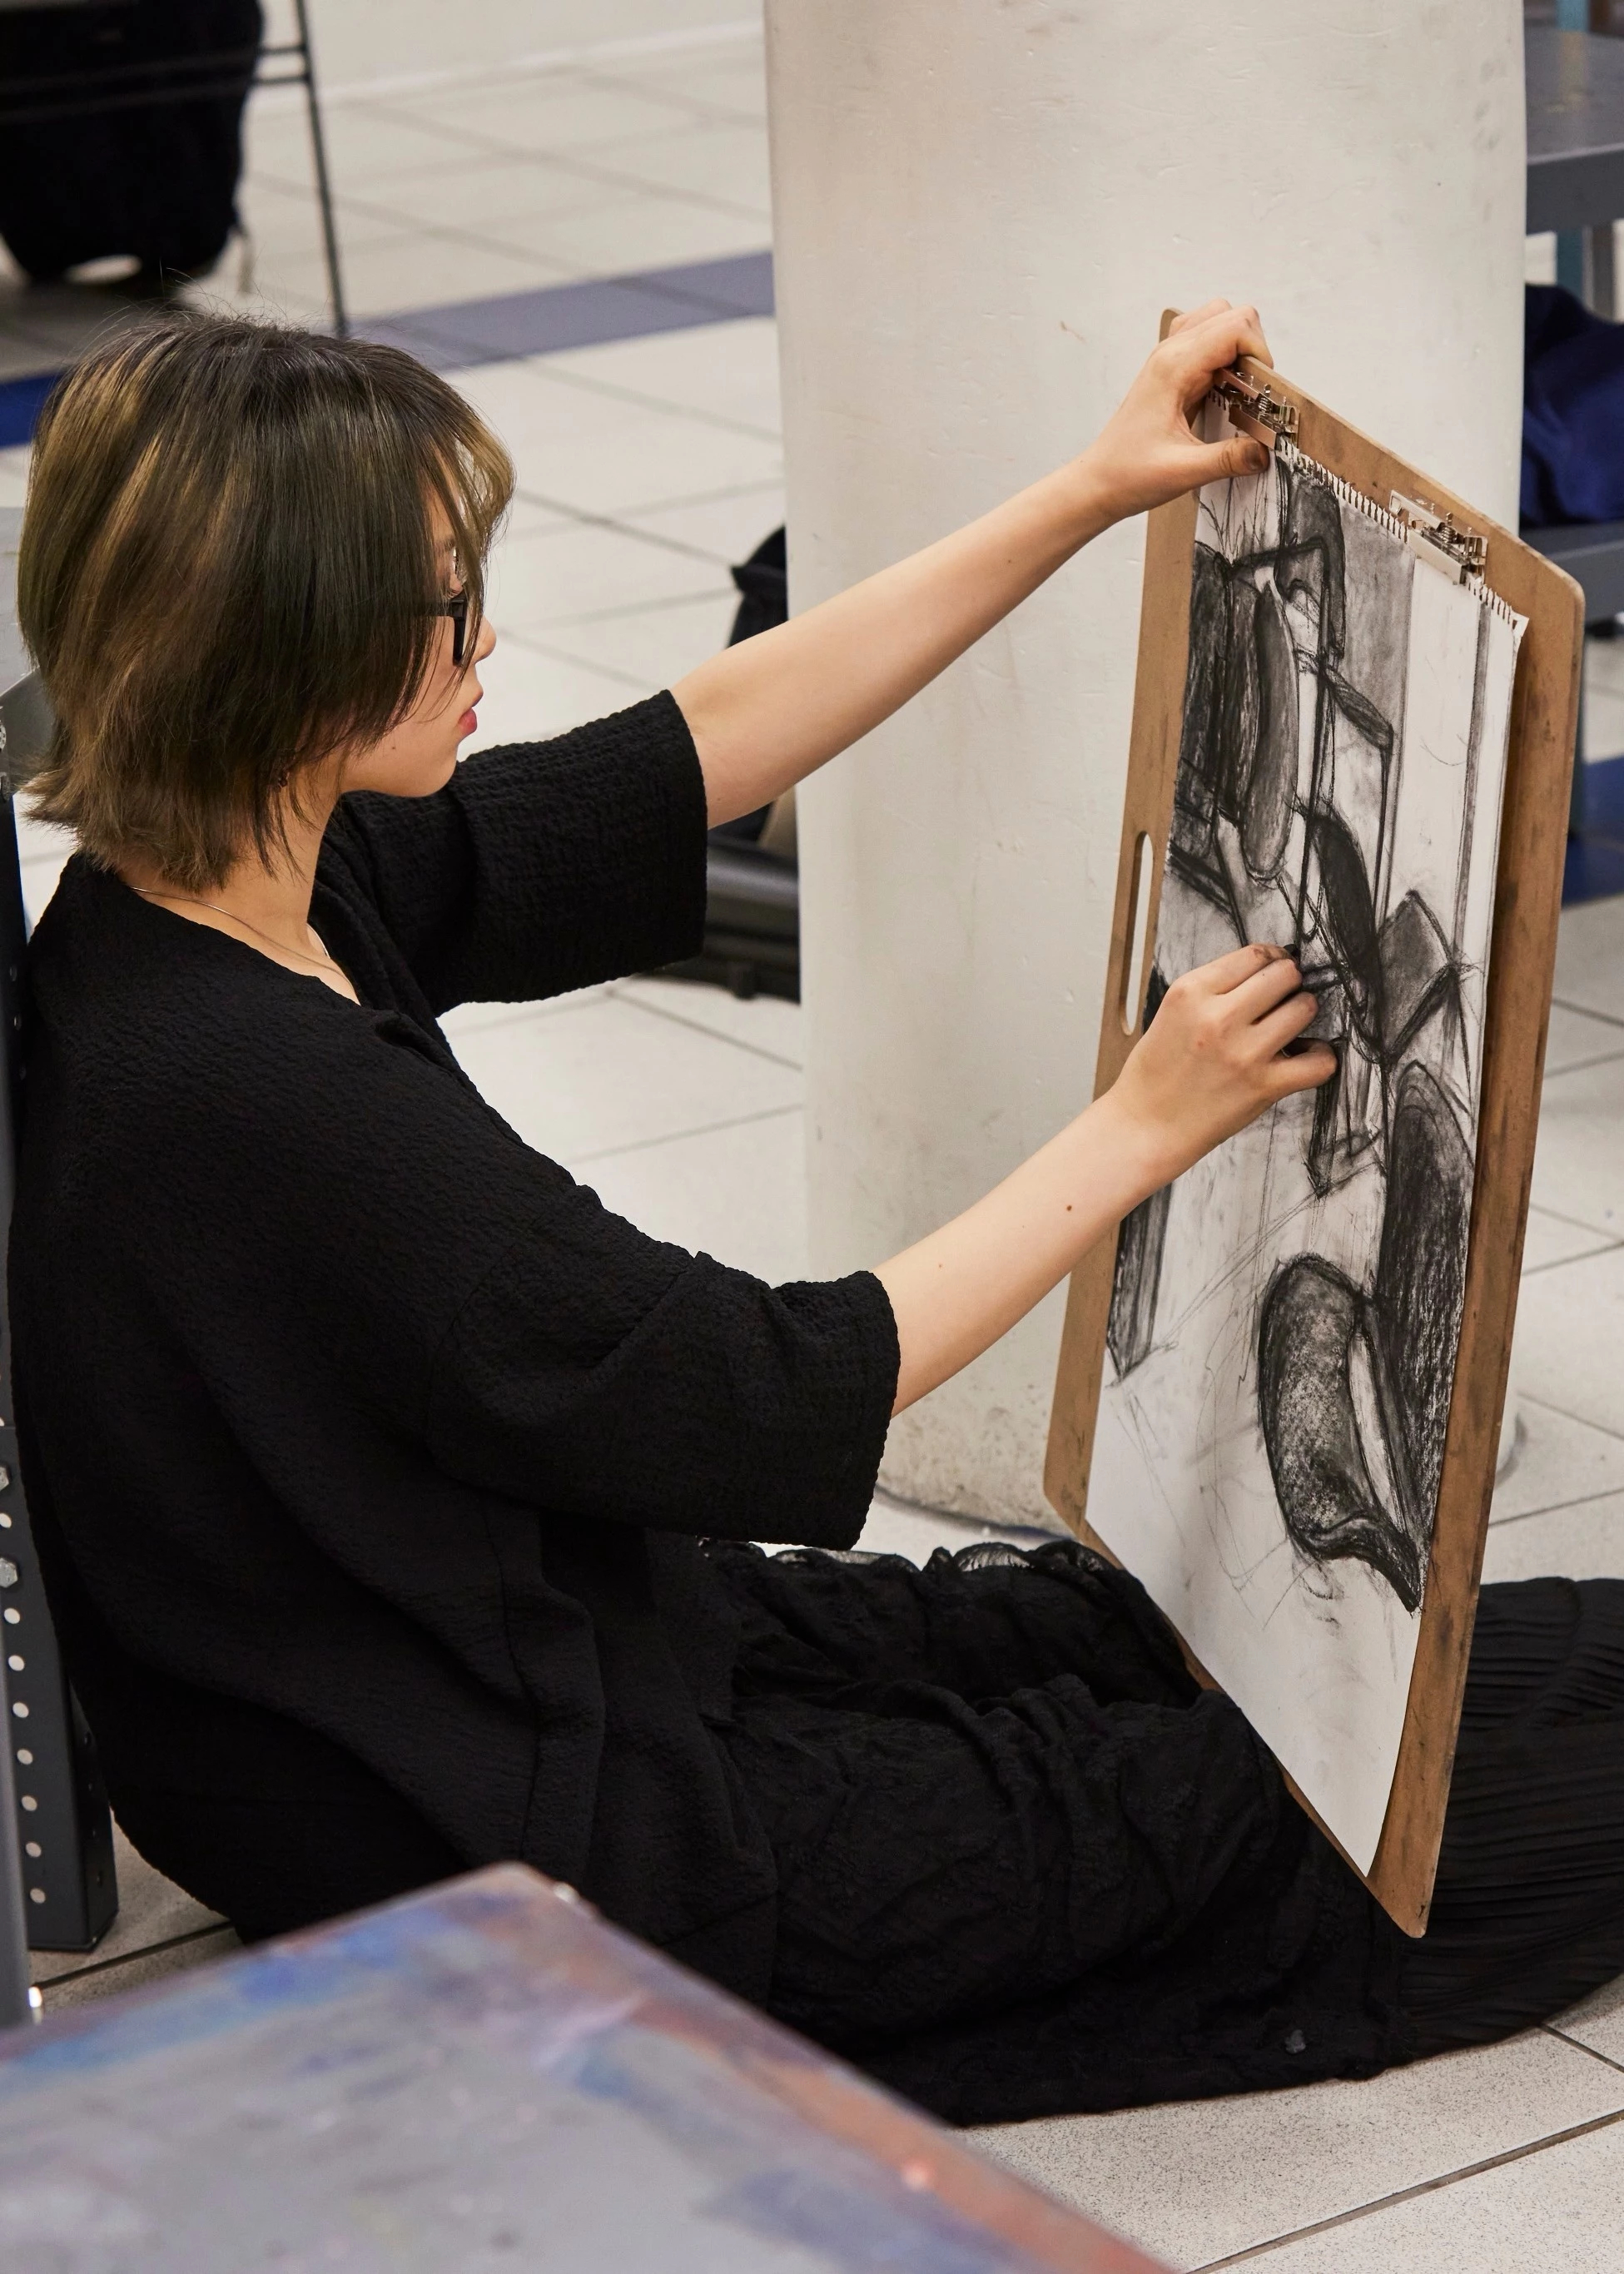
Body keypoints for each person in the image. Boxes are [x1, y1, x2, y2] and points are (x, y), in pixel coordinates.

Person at [10, 303, 1624, 2128]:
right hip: (511, 1844)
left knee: (1126, 1647)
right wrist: (1142, 1121)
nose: (486, 641)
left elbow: (691, 752)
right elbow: (774, 1387)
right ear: (287, 661)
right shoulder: (272, 1104)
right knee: (1245, 1831)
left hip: (497, 1683)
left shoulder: (210, 879)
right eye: (444, 610)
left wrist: (1091, 494)